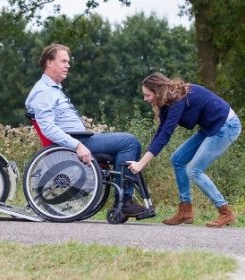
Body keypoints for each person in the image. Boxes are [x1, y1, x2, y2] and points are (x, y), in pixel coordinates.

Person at [25, 43, 145, 217]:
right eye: (63, 61)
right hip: (76, 142)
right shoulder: (43, 92)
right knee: (128, 142)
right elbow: (48, 128)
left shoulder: (53, 90)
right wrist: (77, 146)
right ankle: (124, 201)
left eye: (68, 62)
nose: (68, 65)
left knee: (127, 146)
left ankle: (124, 200)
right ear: (49, 63)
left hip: (81, 139)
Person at [128, 72, 242, 228]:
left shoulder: (177, 101)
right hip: (210, 127)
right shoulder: (166, 104)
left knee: (194, 170)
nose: (145, 98)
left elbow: (166, 135)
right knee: (177, 159)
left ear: (158, 91)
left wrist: (141, 164)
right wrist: (142, 161)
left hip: (226, 126)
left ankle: (225, 212)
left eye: (147, 95)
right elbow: (160, 133)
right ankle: (185, 210)